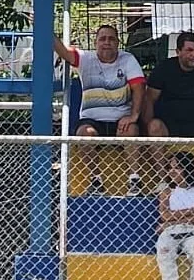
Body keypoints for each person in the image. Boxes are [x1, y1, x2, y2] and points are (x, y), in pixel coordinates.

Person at [54, 25, 145, 194]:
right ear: (95, 42)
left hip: (120, 119)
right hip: (92, 119)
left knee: (131, 130)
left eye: (111, 39)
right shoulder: (85, 59)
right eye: (102, 39)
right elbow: (64, 52)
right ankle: (96, 181)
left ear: (118, 42)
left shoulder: (128, 59)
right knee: (84, 133)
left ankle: (134, 181)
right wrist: (44, 27)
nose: (107, 43)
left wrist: (134, 115)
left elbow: (139, 87)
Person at [156, 151, 194, 280]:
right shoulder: (167, 191)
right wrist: (190, 211)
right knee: (164, 252)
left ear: (187, 169)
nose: (172, 171)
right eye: (171, 168)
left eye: (177, 168)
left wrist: (173, 217)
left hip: (191, 231)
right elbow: (164, 215)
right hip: (169, 231)